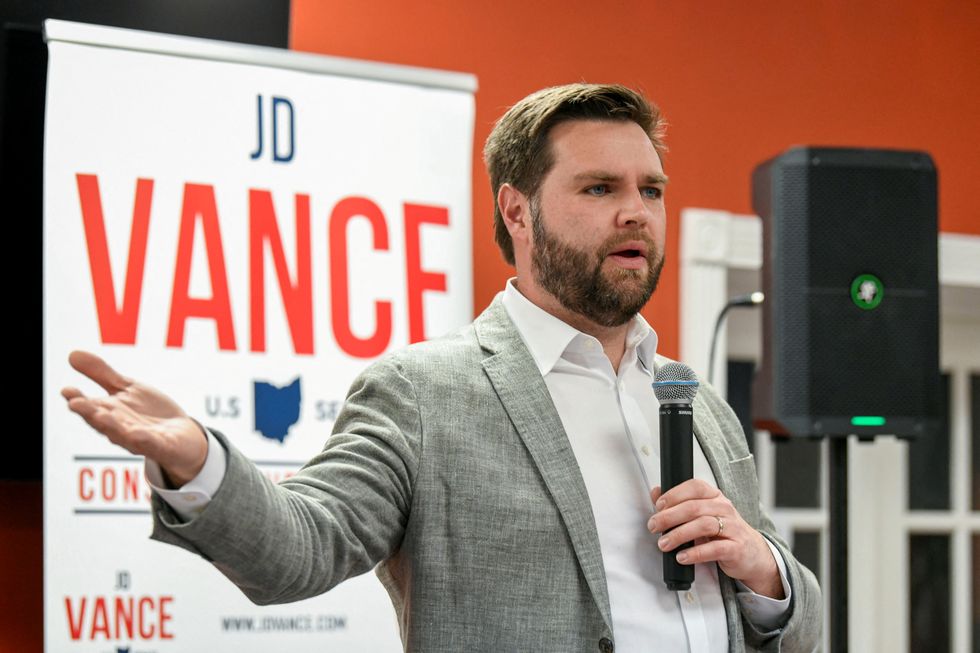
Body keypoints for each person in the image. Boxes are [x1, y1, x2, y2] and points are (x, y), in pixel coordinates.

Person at [64, 83, 821, 652]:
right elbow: (301, 548)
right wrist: (199, 464)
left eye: (650, 190)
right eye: (600, 188)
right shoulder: (424, 393)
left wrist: (766, 570)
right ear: (517, 211)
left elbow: (797, 626)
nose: (637, 212)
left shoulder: (697, 403)